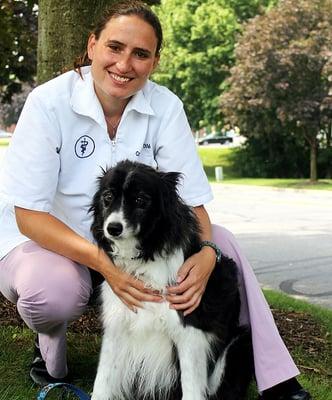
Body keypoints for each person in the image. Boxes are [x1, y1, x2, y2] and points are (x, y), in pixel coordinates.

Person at [0, 1, 311, 399]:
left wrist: (207, 253)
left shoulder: (165, 107)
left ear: (155, 62)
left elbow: (194, 205)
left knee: (226, 242)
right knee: (53, 290)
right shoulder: (47, 103)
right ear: (92, 45)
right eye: (115, 47)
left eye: (140, 54)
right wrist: (103, 264)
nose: (124, 64)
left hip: (134, 244)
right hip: (53, 246)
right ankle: (51, 358)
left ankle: (277, 378)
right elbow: (28, 216)